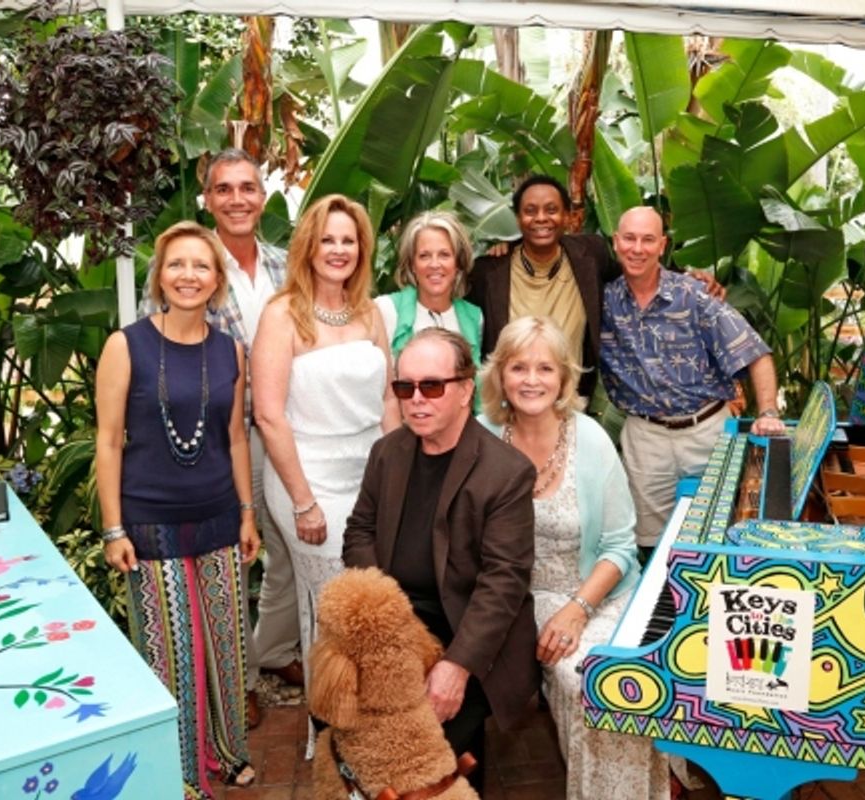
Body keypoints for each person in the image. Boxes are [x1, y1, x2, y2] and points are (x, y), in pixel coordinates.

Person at [478, 315, 694, 799]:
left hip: (603, 590)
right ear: (500, 376)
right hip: (523, 597)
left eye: (544, 369)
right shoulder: (482, 437)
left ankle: (652, 786)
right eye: (518, 368)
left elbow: (620, 546)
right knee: (584, 681)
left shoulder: (590, 438)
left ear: (563, 378)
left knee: (628, 676)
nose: (531, 380)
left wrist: (579, 609)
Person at [96, 221, 261, 798]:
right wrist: (113, 527)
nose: (189, 276)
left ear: (217, 281)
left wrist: (246, 514)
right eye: (177, 265)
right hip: (150, 522)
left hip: (218, 512)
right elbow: (109, 440)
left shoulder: (230, 349)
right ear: (159, 277)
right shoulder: (127, 344)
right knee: (171, 655)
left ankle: (226, 750)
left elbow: (236, 439)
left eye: (201, 266)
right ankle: (181, 771)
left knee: (226, 645)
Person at [140, 148, 303, 730]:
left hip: (289, 425)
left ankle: (275, 651)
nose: (237, 198)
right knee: (233, 556)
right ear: (207, 198)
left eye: (248, 187)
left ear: (263, 197)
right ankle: (239, 679)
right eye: (224, 188)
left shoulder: (288, 265)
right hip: (220, 436)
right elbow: (155, 353)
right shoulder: (189, 263)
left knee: (289, 549)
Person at [342, 328, 540, 793]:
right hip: (397, 622)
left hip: (468, 636)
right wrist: (386, 622)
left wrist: (456, 666)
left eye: (432, 386)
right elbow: (359, 533)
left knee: (427, 760)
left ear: (466, 390)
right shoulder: (387, 454)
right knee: (348, 724)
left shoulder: (505, 473)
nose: (416, 399)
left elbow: (503, 581)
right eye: (404, 387)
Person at [250, 193, 399, 752]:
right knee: (333, 607)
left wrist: (396, 480)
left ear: (362, 249)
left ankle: (372, 722)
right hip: (306, 476)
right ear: (309, 246)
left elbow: (388, 399)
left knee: (372, 599)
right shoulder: (281, 314)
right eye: (329, 239)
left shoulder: (369, 314)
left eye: (349, 239)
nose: (339, 249)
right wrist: (304, 501)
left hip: (369, 474)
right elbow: (268, 414)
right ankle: (333, 735)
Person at [601, 206, 786, 563]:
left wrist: (767, 412)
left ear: (662, 246)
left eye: (647, 239)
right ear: (616, 242)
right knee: (651, 543)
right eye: (629, 238)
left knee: (722, 530)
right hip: (645, 436)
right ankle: (664, 609)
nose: (637, 248)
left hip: (706, 430)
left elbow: (755, 353)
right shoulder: (604, 300)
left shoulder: (694, 295)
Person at [469, 174, 722, 398]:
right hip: (509, 403)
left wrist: (689, 276)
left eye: (551, 209)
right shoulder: (490, 271)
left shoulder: (590, 255)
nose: (541, 218)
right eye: (531, 210)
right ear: (518, 218)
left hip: (569, 402)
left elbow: (635, 270)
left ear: (567, 217)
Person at [374, 209, 483, 363]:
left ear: (458, 262)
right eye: (424, 256)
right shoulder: (387, 309)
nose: (434, 264)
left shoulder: (474, 317)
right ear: (412, 264)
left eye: (444, 255)